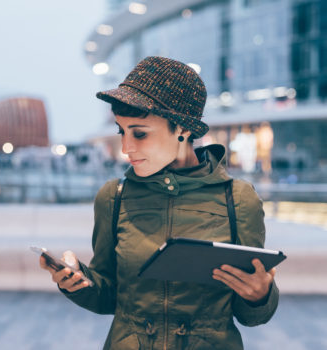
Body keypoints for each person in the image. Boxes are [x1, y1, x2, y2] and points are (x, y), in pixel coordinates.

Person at [40, 56, 279, 350]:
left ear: (182, 129)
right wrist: (78, 282)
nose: (126, 148)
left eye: (139, 133)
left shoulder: (238, 199)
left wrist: (260, 295)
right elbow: (109, 295)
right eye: (122, 131)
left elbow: (252, 316)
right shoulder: (113, 197)